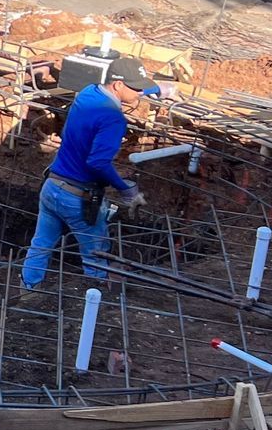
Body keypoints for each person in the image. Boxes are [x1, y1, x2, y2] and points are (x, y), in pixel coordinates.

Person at [20, 56, 174, 298]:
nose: (140, 93)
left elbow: (128, 88)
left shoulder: (87, 93)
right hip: (78, 199)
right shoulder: (113, 119)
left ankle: (28, 292)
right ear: (117, 85)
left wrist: (159, 89)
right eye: (136, 88)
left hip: (52, 187)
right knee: (96, 254)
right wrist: (126, 189)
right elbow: (98, 162)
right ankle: (94, 304)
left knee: (41, 245)